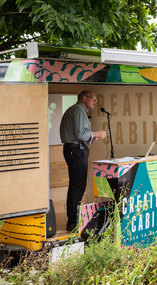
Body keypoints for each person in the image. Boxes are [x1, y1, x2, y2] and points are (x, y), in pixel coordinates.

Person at [60, 90, 107, 231]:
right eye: (93, 98)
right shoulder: (79, 110)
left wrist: (90, 138)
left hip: (76, 149)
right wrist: (96, 133)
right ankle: (73, 222)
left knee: (77, 185)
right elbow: (80, 134)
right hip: (76, 151)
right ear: (84, 98)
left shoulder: (76, 110)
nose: (95, 101)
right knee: (77, 186)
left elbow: (79, 134)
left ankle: (74, 220)